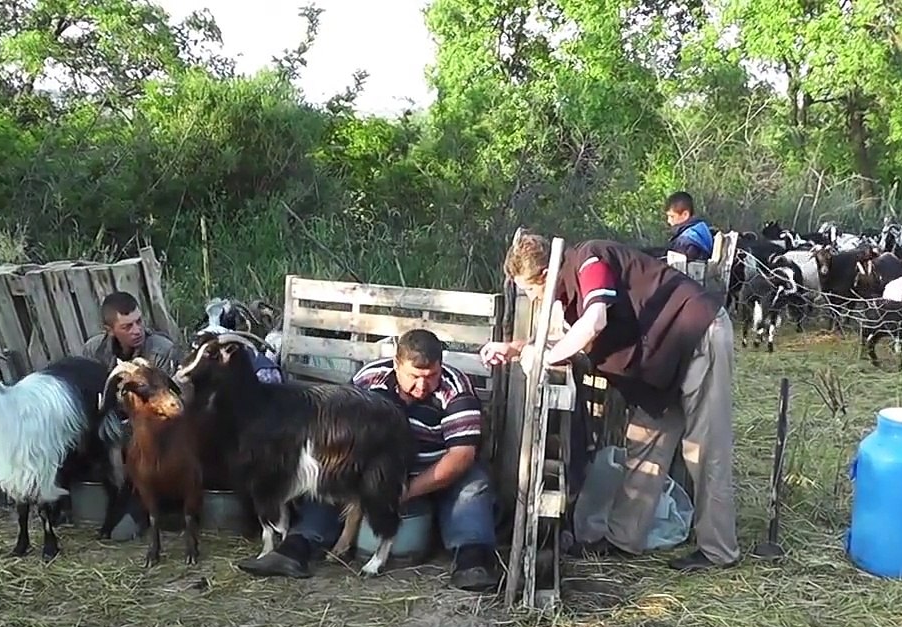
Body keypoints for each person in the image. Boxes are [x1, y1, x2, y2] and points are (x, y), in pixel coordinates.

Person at [480, 231, 740, 572]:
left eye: (530, 289)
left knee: (705, 449)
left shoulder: (589, 260)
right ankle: (623, 540)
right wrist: (516, 349)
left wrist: (543, 359)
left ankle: (718, 551)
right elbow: (568, 337)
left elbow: (595, 321)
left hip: (695, 336)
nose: (532, 298)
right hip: (660, 364)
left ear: (545, 274)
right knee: (644, 446)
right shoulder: (571, 290)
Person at [237, 328, 502, 592]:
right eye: (414, 376)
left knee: (472, 486)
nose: (422, 386)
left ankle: (472, 559)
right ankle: (297, 547)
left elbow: (461, 456)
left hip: (434, 468)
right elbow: (338, 429)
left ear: (440, 367)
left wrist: (402, 492)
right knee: (323, 479)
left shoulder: (456, 389)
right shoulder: (369, 379)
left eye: (431, 376)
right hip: (371, 466)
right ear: (397, 363)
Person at [82, 291, 183, 541]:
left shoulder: (161, 350)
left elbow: (169, 404)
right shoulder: (94, 351)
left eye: (139, 322)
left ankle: (142, 510)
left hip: (153, 431)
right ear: (109, 329)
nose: (137, 330)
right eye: (127, 326)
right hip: (110, 423)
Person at [664, 191, 714, 262]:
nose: (669, 221)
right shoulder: (700, 229)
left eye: (672, 216)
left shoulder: (686, 242)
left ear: (685, 215)